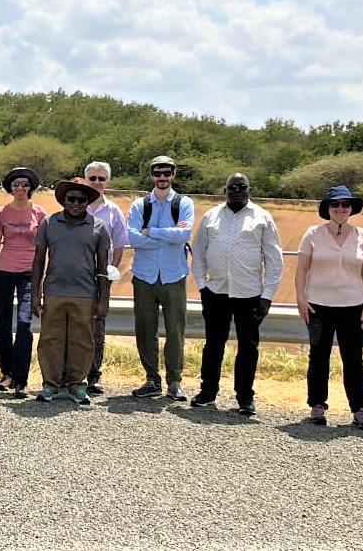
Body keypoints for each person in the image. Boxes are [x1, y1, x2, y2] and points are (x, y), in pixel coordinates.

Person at [190, 172, 283, 415]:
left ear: (249, 189)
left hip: (249, 293)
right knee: (213, 345)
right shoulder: (211, 216)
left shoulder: (262, 217)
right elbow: (198, 252)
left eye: (242, 187)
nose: (237, 190)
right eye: (232, 187)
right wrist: (202, 286)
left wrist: (267, 295)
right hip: (216, 291)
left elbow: (274, 259)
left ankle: (244, 397)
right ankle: (208, 392)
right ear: (225, 190)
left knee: (248, 347)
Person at [294, 185, 363, 430]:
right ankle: (317, 406)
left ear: (351, 209)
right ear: (327, 208)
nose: (340, 209)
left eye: (345, 205)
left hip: (352, 306)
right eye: (335, 205)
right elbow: (301, 269)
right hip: (318, 306)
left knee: (353, 359)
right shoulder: (313, 234)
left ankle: (360, 408)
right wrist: (301, 298)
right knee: (318, 356)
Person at [31, 178, 111, 405]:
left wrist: (103, 300)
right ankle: (50, 384)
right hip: (54, 290)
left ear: (87, 202)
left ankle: (77, 385)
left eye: (81, 199)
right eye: (71, 199)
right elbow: (38, 260)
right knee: (50, 340)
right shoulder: (49, 223)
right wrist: (35, 295)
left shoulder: (98, 227)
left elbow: (103, 268)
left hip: (85, 293)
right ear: (63, 200)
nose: (75, 203)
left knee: (82, 341)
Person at [124, 156, 195, 401]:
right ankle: (151, 379)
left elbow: (183, 234)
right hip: (144, 276)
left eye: (166, 173)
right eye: (158, 173)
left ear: (174, 174)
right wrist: (167, 236)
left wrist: (151, 233)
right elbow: (133, 238)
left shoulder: (183, 203)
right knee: (145, 329)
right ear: (152, 175)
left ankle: (174, 381)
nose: (162, 177)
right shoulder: (139, 205)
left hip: (173, 275)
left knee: (175, 330)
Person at [0, 167, 46, 398]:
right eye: (15, 184)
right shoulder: (2, 213)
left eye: (24, 184)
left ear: (30, 187)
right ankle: (7, 373)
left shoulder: (40, 213)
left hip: (28, 274)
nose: (20, 188)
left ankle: (22, 379)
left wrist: (39, 283)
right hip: (4, 271)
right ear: (10, 188)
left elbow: (43, 251)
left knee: (24, 325)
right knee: (2, 325)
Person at [82, 161, 129, 395]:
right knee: (75, 325)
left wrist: (111, 270)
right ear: (85, 180)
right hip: (77, 277)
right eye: (93, 179)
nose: (97, 183)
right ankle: (71, 373)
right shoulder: (76, 204)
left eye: (101, 179)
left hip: (101, 277)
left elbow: (120, 244)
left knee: (97, 327)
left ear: (107, 182)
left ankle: (93, 375)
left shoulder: (114, 211)